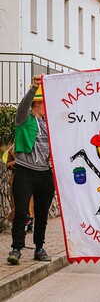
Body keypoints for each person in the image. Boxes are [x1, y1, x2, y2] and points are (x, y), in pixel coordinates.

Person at [8, 74, 55, 265]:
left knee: (42, 212)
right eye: (44, 103)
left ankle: (39, 248)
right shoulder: (23, 119)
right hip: (25, 171)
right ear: (37, 104)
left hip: (44, 173)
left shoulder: (48, 123)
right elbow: (22, 106)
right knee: (21, 212)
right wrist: (34, 88)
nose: (47, 106)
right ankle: (16, 249)